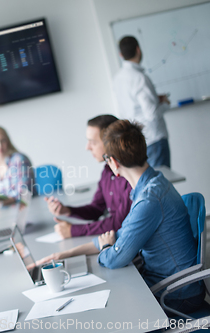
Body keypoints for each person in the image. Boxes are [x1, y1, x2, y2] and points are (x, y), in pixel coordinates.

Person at [38, 120, 204, 313]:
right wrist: (65, 254)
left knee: (106, 308)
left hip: (176, 295)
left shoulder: (148, 201)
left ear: (113, 162)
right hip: (170, 285)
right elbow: (120, 234)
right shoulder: (153, 184)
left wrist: (108, 247)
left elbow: (115, 258)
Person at [45, 115, 132, 239]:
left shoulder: (129, 176)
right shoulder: (107, 172)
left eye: (93, 142)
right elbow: (97, 209)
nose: (87, 147)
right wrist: (67, 211)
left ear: (110, 143)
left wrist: (73, 230)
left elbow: (119, 222)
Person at [113, 36, 171, 168]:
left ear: (120, 55)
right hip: (153, 138)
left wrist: (155, 100)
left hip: (135, 141)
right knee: (161, 184)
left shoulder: (117, 78)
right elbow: (152, 115)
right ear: (138, 50)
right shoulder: (140, 78)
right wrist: (165, 104)